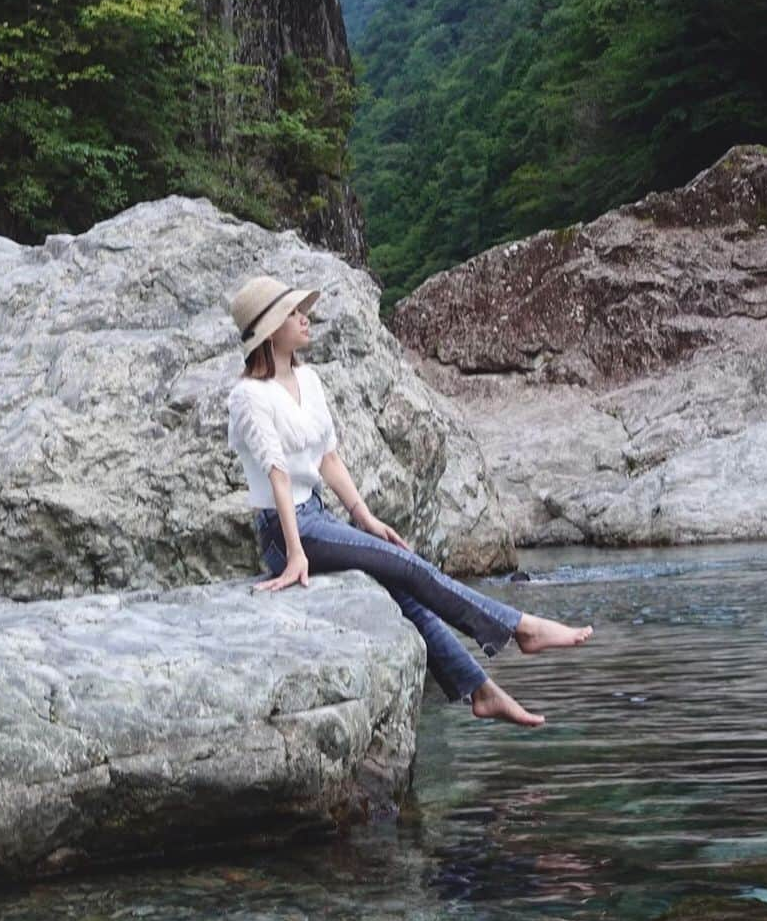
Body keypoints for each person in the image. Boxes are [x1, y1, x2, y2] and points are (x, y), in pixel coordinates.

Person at [226, 274, 593, 728]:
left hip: (316, 516)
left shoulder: (308, 379)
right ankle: (520, 627)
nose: (306, 317)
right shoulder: (248, 396)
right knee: (408, 569)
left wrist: (366, 518)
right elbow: (277, 475)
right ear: (271, 329)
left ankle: (482, 690)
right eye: (293, 312)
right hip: (285, 532)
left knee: (403, 583)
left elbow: (328, 457)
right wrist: (295, 553)